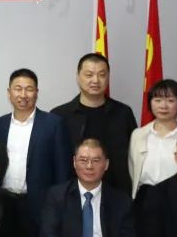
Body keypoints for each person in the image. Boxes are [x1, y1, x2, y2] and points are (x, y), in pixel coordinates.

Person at [0, 68, 71, 237]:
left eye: (29, 89)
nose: (23, 94)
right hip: (5, 203)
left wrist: (59, 205)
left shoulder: (53, 124)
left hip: (40, 205)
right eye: (18, 89)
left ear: (37, 92)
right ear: (9, 93)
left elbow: (62, 169)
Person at [52, 53, 138, 195]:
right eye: (89, 75)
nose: (95, 80)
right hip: (71, 196)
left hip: (117, 194)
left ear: (108, 77)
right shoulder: (60, 115)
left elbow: (134, 155)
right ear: (78, 77)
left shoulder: (123, 113)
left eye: (102, 75)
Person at [129, 78, 177, 198]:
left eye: (170, 100)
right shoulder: (138, 135)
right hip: (145, 196)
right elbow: (133, 170)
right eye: (157, 100)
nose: (163, 106)